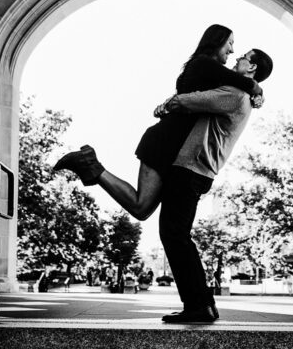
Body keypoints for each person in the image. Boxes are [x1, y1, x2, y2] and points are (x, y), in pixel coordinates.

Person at [52, 24, 263, 220]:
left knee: (142, 209)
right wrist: (258, 91)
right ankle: (89, 163)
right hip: (165, 141)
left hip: (174, 145)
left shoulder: (208, 70)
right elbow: (242, 82)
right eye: (230, 43)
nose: (233, 50)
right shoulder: (205, 64)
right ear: (217, 41)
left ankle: (91, 166)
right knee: (141, 206)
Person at [157, 47, 273, 325]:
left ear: (252, 68)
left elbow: (191, 100)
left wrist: (169, 103)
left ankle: (198, 304)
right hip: (198, 170)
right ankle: (202, 303)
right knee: (177, 235)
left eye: (244, 56)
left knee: (175, 235)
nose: (237, 58)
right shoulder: (241, 94)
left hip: (190, 168)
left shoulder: (234, 95)